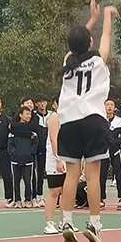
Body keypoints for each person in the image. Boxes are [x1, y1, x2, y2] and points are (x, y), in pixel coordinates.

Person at [57, 1, 118, 242]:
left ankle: (66, 221)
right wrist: (105, 15)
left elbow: (77, 42)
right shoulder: (98, 60)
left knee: (72, 174)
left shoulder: (68, 62)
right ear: (90, 43)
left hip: (69, 121)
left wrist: (90, 21)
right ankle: (94, 224)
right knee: (93, 176)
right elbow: (106, 36)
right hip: (92, 119)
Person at [99, 98, 121, 211]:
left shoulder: (119, 121)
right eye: (107, 105)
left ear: (114, 108)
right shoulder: (99, 120)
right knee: (101, 176)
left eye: (111, 105)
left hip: (115, 152)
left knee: (119, 174)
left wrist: (117, 142)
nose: (109, 107)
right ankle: (101, 198)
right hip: (103, 152)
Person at [9, 106, 39, 209]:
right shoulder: (13, 130)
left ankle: (28, 200)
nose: (29, 116)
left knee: (28, 181)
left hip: (28, 160)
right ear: (20, 115)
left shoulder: (32, 131)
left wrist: (31, 152)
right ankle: (17, 200)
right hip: (15, 160)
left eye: (30, 114)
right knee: (15, 182)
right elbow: (10, 144)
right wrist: (14, 153)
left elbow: (36, 143)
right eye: (27, 114)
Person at [44, 97, 66, 234]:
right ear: (54, 105)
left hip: (68, 158)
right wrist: (58, 159)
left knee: (66, 191)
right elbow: (54, 139)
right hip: (55, 158)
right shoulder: (54, 117)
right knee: (54, 191)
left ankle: (64, 222)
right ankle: (49, 223)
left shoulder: (70, 117)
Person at [33, 95, 50, 208]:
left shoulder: (52, 116)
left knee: (52, 173)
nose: (42, 104)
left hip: (49, 149)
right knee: (38, 173)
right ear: (36, 104)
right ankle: (38, 195)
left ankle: (57, 198)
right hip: (38, 149)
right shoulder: (33, 116)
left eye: (44, 101)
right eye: (39, 102)